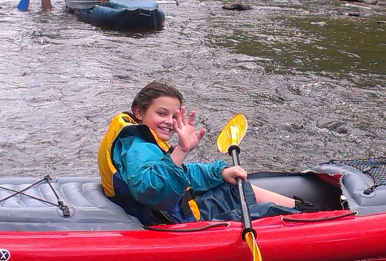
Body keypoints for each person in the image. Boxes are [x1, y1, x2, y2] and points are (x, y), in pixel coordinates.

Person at [97, 82, 299, 226]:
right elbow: (152, 192)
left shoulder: (137, 139)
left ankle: (304, 208)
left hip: (171, 210)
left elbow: (181, 172)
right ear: (139, 112)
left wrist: (219, 172)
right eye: (161, 113)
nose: (169, 121)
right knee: (242, 194)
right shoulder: (138, 148)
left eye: (174, 116)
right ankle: (306, 214)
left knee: (228, 183)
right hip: (175, 221)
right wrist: (182, 150)